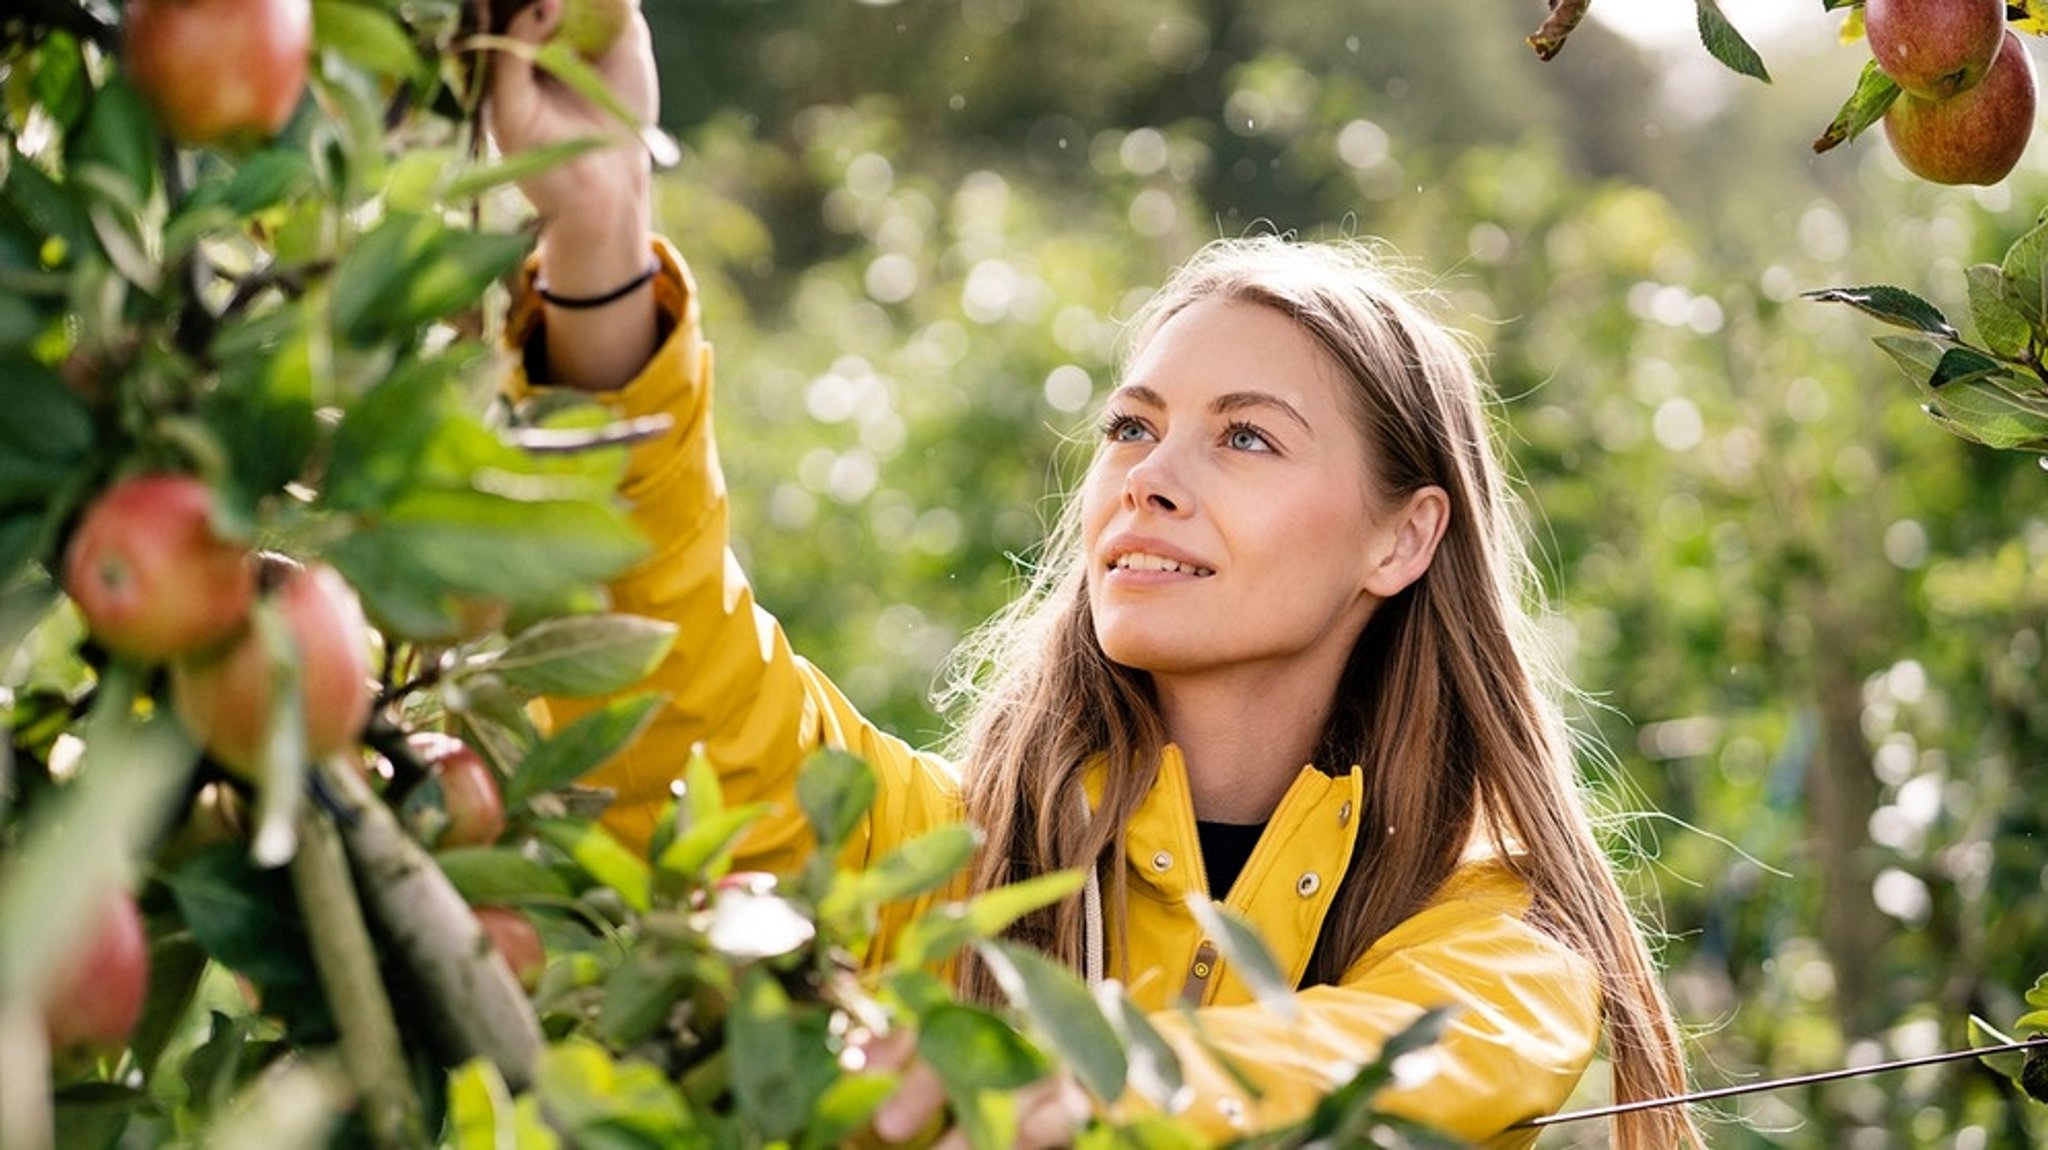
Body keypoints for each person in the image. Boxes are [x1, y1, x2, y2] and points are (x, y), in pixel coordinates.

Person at [485, 5, 1703, 1147]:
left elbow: (1408, 1051)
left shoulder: (1492, 938)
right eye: (1130, 427)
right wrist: (596, 232)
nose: (1148, 478)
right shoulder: (949, 868)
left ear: (1403, 537)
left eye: (1245, 436)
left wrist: (1097, 1072)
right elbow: (667, 687)